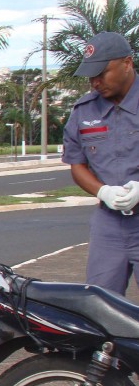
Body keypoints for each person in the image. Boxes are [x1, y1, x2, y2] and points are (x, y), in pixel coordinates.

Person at [64, 31, 139, 295]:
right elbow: (77, 165)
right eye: (90, 76)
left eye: (102, 73)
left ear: (127, 64)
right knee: (99, 304)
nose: (95, 82)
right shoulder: (84, 111)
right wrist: (103, 191)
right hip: (110, 223)